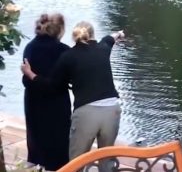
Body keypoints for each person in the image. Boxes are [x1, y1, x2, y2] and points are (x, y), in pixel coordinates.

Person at [21, 21, 124, 169]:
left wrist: (30, 73)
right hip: (112, 109)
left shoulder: (68, 56)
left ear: (74, 36)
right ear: (93, 35)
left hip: (87, 112)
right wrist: (120, 34)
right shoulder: (103, 47)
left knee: (77, 161)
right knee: (106, 159)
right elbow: (111, 37)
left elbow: (52, 86)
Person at [22, 13, 71, 171]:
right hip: (56, 103)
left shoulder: (29, 47)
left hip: (33, 100)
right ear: (60, 30)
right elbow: (63, 82)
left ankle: (36, 163)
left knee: (36, 138)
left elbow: (25, 80)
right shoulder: (64, 51)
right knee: (57, 143)